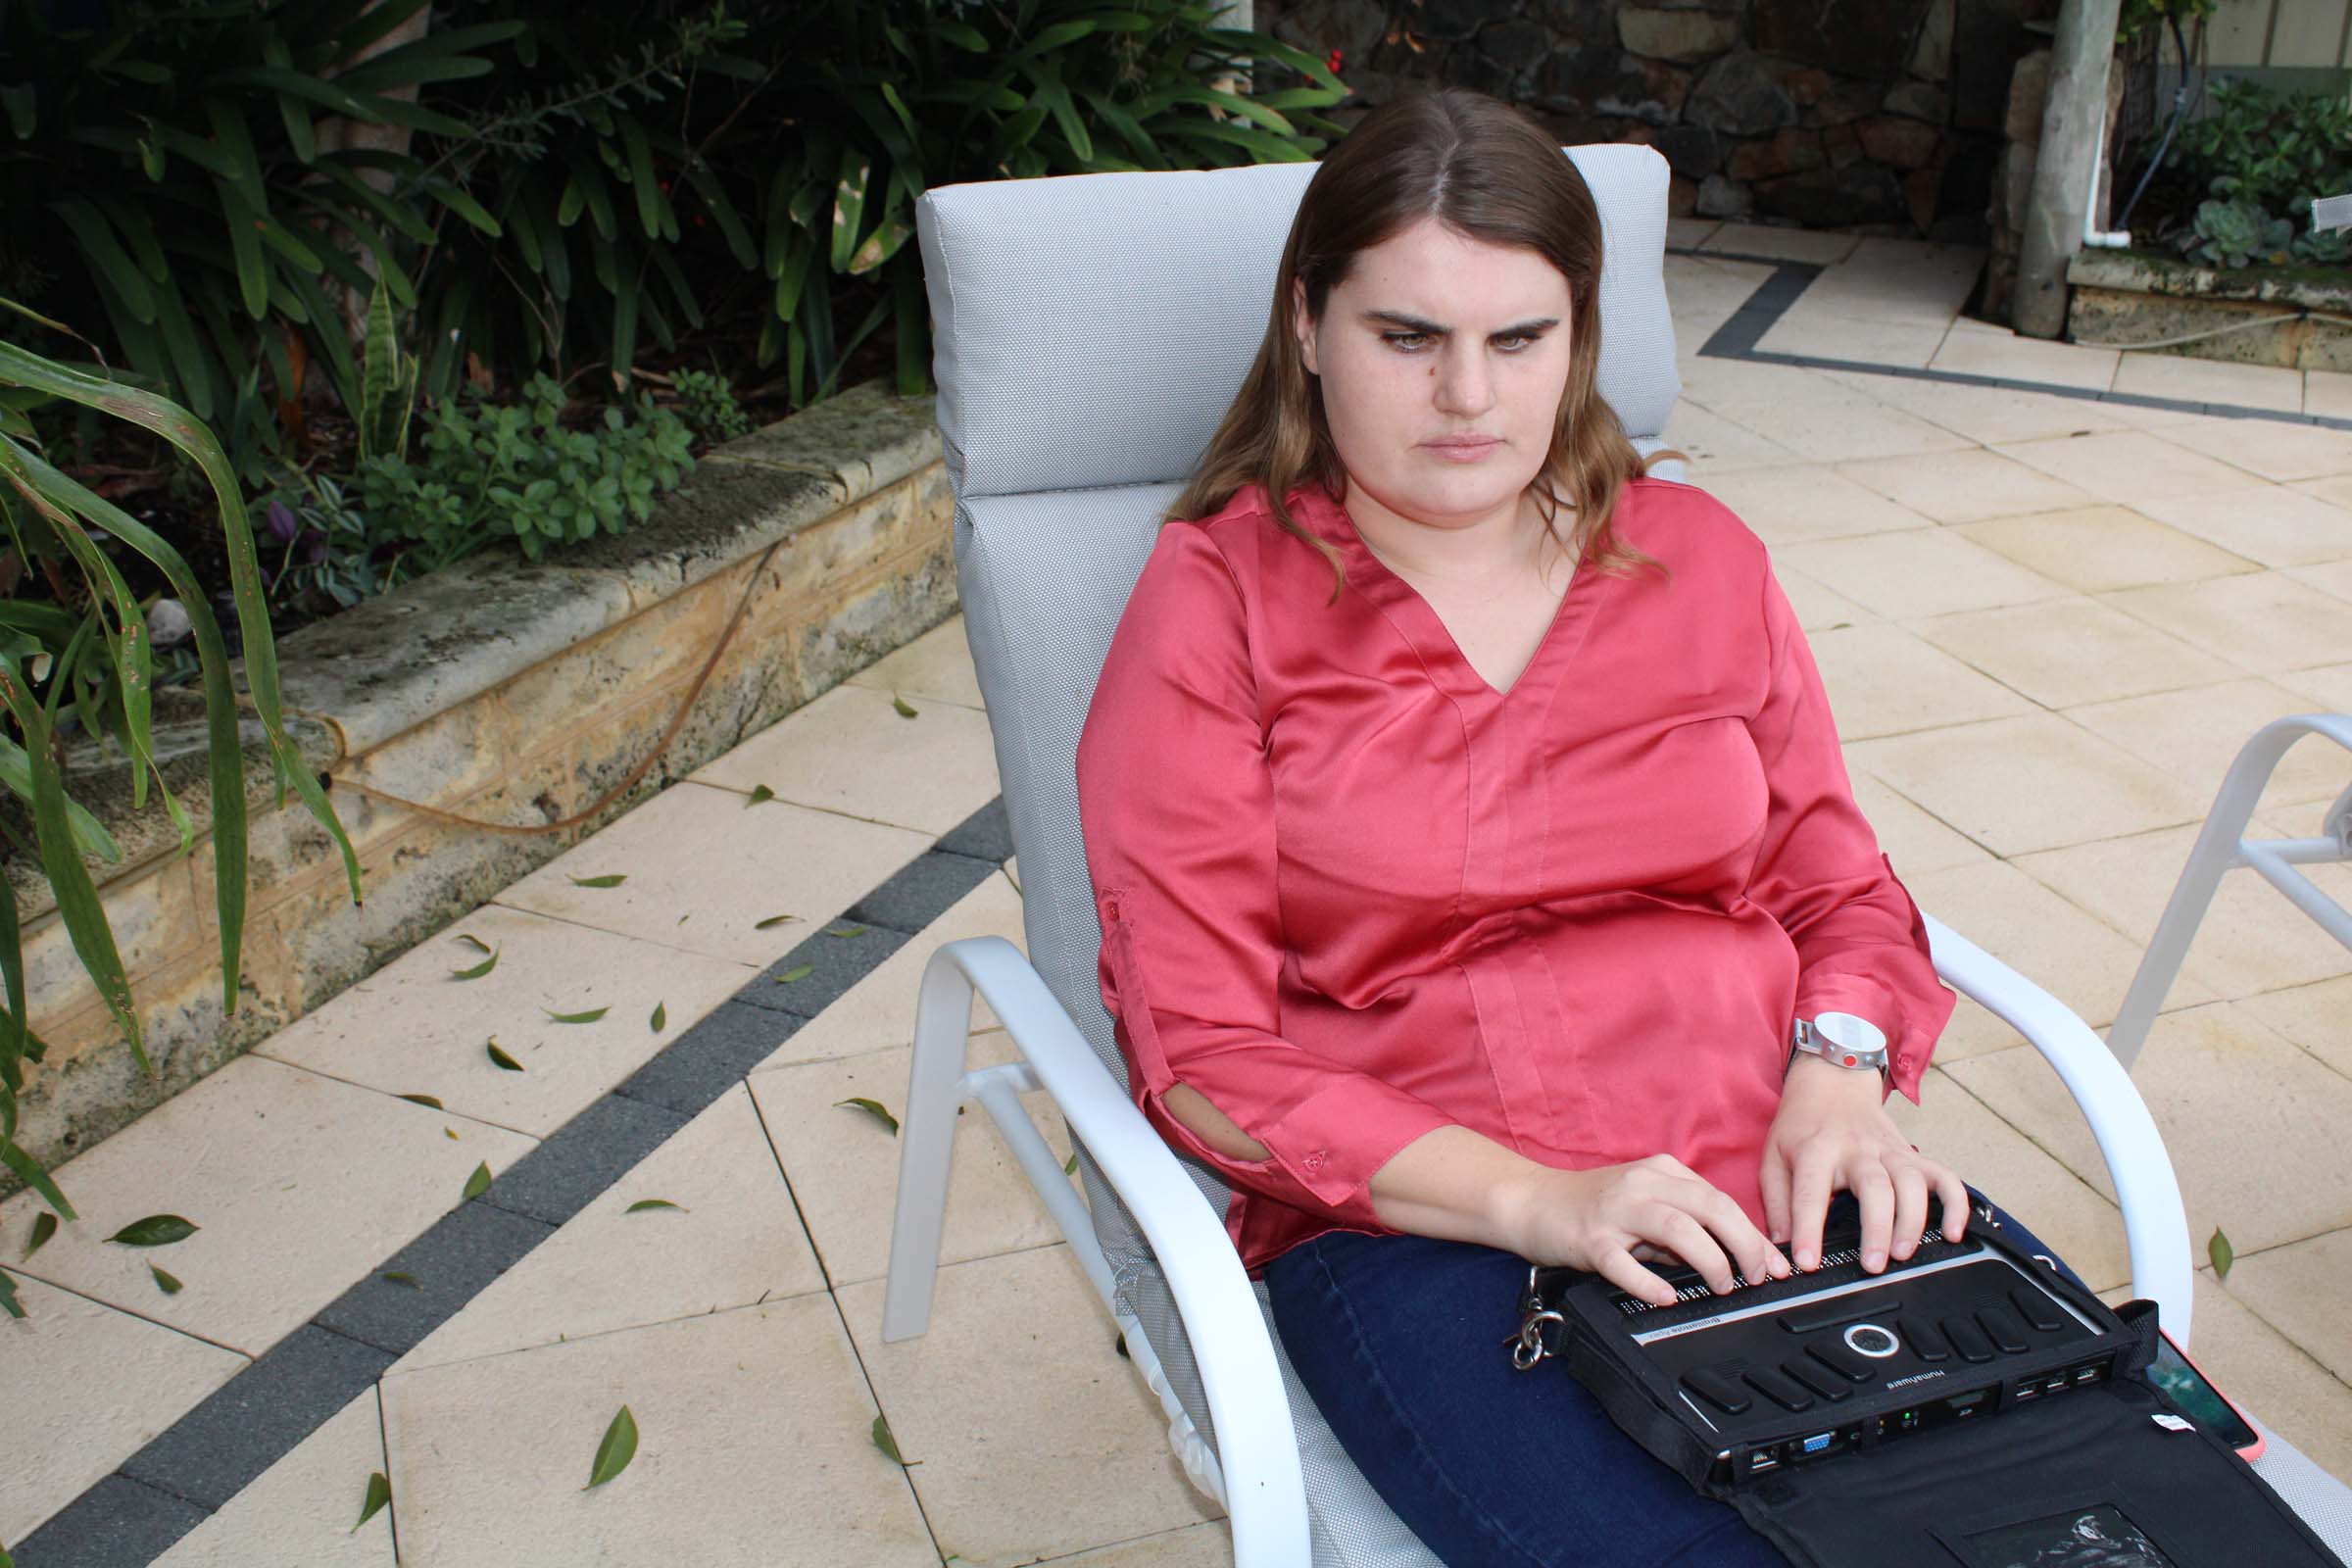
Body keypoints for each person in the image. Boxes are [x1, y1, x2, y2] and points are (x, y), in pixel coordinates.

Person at [1074, 88, 2082, 1567]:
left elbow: (1841, 887)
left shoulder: (1701, 557)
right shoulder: (1216, 604)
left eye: (1518, 339)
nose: (1467, 398)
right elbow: (1203, 1056)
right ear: (1308, 325)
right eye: (1407, 337)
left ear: (1581, 339)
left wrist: (1843, 1079)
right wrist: (1540, 1203)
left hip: (1781, 1174)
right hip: (1439, 1233)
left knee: (2104, 1508)